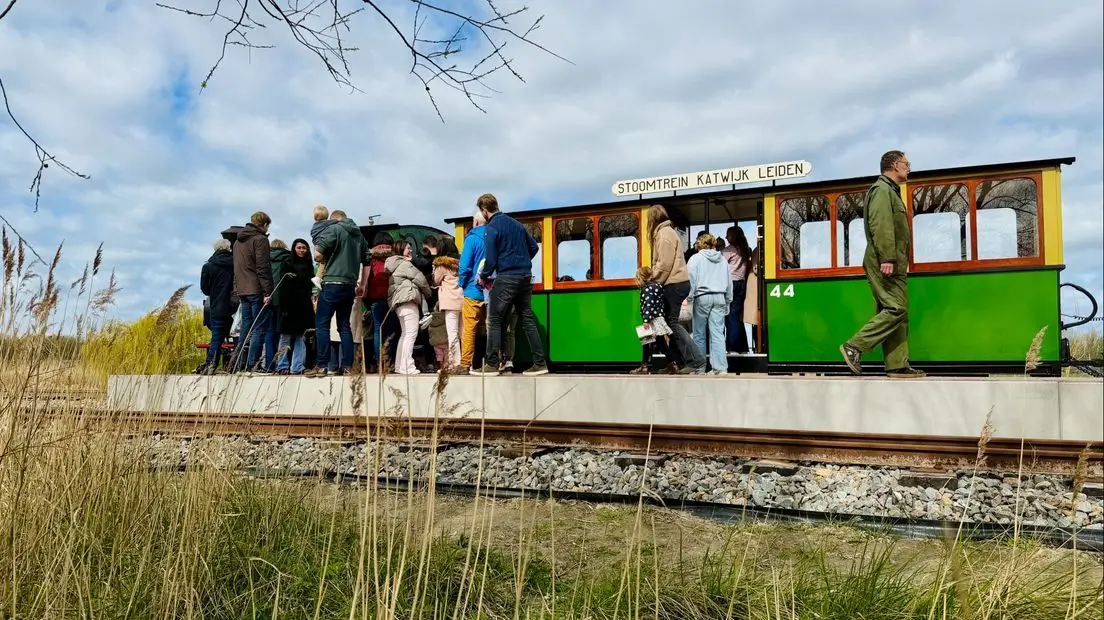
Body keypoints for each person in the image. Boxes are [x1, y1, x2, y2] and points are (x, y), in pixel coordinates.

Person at [840, 150, 926, 379]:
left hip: (893, 261)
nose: (909, 168)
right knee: (896, 309)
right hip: (884, 260)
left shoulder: (891, 191)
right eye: (907, 164)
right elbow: (881, 224)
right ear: (895, 165)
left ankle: (897, 365)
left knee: (898, 313)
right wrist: (887, 258)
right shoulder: (882, 190)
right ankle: (854, 346)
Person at [471, 193, 548, 376]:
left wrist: (484, 276)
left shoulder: (492, 227)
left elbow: (491, 260)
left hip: (506, 278)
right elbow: (534, 247)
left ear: (484, 210)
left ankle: (491, 364)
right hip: (525, 277)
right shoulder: (516, 224)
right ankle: (540, 363)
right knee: (527, 319)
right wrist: (521, 261)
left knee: (494, 319)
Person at [305, 210, 370, 377]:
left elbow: (318, 255)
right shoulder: (359, 235)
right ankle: (347, 366)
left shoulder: (334, 229)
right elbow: (367, 262)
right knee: (344, 326)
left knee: (322, 324)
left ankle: (321, 365)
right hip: (350, 286)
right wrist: (363, 285)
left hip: (332, 283)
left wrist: (317, 242)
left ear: (334, 219)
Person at [647, 204, 705, 374]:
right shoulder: (668, 232)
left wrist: (653, 280)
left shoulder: (663, 234)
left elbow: (664, 264)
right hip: (677, 282)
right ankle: (677, 363)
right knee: (668, 323)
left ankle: (695, 360)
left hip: (673, 283)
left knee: (671, 323)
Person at [231, 211, 273, 372]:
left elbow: (236, 268)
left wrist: (237, 288)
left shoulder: (237, 242)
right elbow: (263, 267)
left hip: (242, 289)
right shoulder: (260, 240)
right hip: (256, 289)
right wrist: (267, 292)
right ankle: (252, 364)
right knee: (259, 327)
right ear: (265, 224)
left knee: (245, 327)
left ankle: (239, 363)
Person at [687, 232, 732, 374]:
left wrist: (689, 298)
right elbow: (729, 281)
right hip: (719, 297)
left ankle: (699, 368)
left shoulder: (695, 259)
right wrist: (728, 300)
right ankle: (720, 368)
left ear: (700, 244)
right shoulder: (722, 259)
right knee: (717, 333)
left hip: (702, 298)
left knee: (699, 334)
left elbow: (691, 280)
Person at [385, 239, 432, 375]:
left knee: (405, 334)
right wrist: (428, 293)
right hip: (408, 299)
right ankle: (408, 366)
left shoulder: (393, 264)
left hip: (399, 303)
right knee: (411, 334)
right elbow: (420, 279)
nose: (411, 251)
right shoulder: (405, 264)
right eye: (408, 248)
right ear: (401, 250)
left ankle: (400, 365)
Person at [273, 239, 315, 374]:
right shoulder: (287, 263)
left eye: (304, 248)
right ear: (294, 249)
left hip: (304, 305)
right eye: (299, 248)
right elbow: (283, 286)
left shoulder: (309, 265)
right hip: (289, 304)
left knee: (300, 336)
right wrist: (284, 307)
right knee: (285, 336)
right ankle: (282, 366)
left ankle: (297, 366)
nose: (302, 250)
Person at [197, 238, 238, 374]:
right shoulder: (235, 264)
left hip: (217, 306)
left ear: (215, 249)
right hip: (236, 306)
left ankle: (211, 364)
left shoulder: (208, 266)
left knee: (217, 337)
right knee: (238, 336)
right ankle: (239, 364)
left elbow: (205, 289)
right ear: (229, 249)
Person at [457, 209, 487, 371]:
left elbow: (464, 266)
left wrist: (461, 283)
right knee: (493, 327)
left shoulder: (471, 239)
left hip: (472, 290)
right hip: (492, 290)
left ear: (475, 222)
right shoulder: (494, 237)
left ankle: (465, 364)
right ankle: (495, 362)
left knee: (469, 328)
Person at [630, 266, 674, 375]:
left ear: (641, 278)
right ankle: (672, 364)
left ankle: (645, 366)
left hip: (652, 320)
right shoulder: (657, 286)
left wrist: (646, 320)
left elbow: (648, 305)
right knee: (660, 343)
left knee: (648, 342)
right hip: (658, 318)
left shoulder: (646, 289)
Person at [432, 237, 463, 372]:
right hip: (462, 300)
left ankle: (454, 363)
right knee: (464, 333)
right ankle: (466, 362)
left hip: (450, 302)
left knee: (452, 334)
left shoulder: (441, 265)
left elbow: (436, 280)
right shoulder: (460, 263)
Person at [723, 226, 752, 354]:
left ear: (734, 236)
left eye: (728, 235)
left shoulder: (729, 250)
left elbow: (720, 265)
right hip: (741, 283)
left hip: (731, 283)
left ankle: (732, 347)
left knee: (730, 317)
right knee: (736, 316)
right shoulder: (746, 249)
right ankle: (743, 347)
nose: (726, 237)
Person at [309, 204, 336, 289]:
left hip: (317, 245)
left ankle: (318, 277)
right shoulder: (327, 223)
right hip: (324, 244)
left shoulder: (314, 226)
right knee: (325, 261)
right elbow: (337, 222)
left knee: (322, 263)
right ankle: (318, 277)